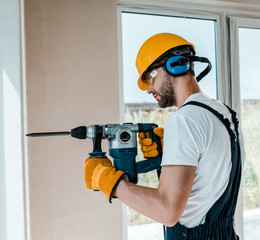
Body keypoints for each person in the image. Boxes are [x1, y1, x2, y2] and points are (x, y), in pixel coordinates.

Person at [84, 33, 245, 239]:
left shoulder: (184, 120)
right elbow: (208, 180)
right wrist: (167, 158)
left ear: (175, 65)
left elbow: (166, 211)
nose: (150, 88)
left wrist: (110, 183)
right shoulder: (225, 113)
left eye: (151, 76)